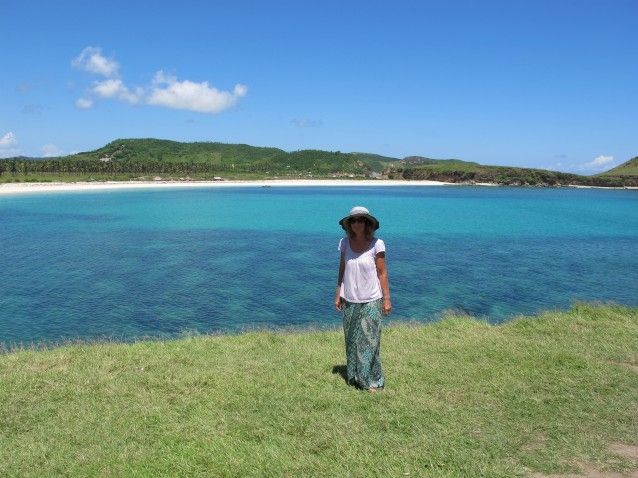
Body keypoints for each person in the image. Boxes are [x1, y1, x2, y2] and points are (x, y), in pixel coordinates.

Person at [335, 206, 391, 392]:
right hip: (350, 299)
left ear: (367, 224)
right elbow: (342, 269)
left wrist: (386, 299)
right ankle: (354, 376)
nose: (357, 223)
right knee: (351, 340)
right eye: (354, 220)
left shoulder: (377, 244)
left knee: (369, 341)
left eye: (361, 220)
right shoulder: (344, 243)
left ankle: (370, 381)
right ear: (349, 224)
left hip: (372, 299)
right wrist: (338, 293)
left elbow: (382, 273)